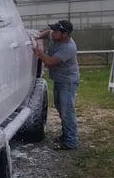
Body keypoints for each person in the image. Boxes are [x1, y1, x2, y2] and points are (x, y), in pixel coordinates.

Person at [34, 20, 80, 150]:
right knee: (61, 109)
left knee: (67, 112)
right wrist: (37, 36)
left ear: (65, 34)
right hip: (59, 80)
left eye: (56, 31)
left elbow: (49, 61)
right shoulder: (56, 36)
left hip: (68, 82)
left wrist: (37, 50)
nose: (52, 33)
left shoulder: (69, 48)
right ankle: (66, 135)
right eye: (53, 30)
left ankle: (71, 142)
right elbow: (47, 33)